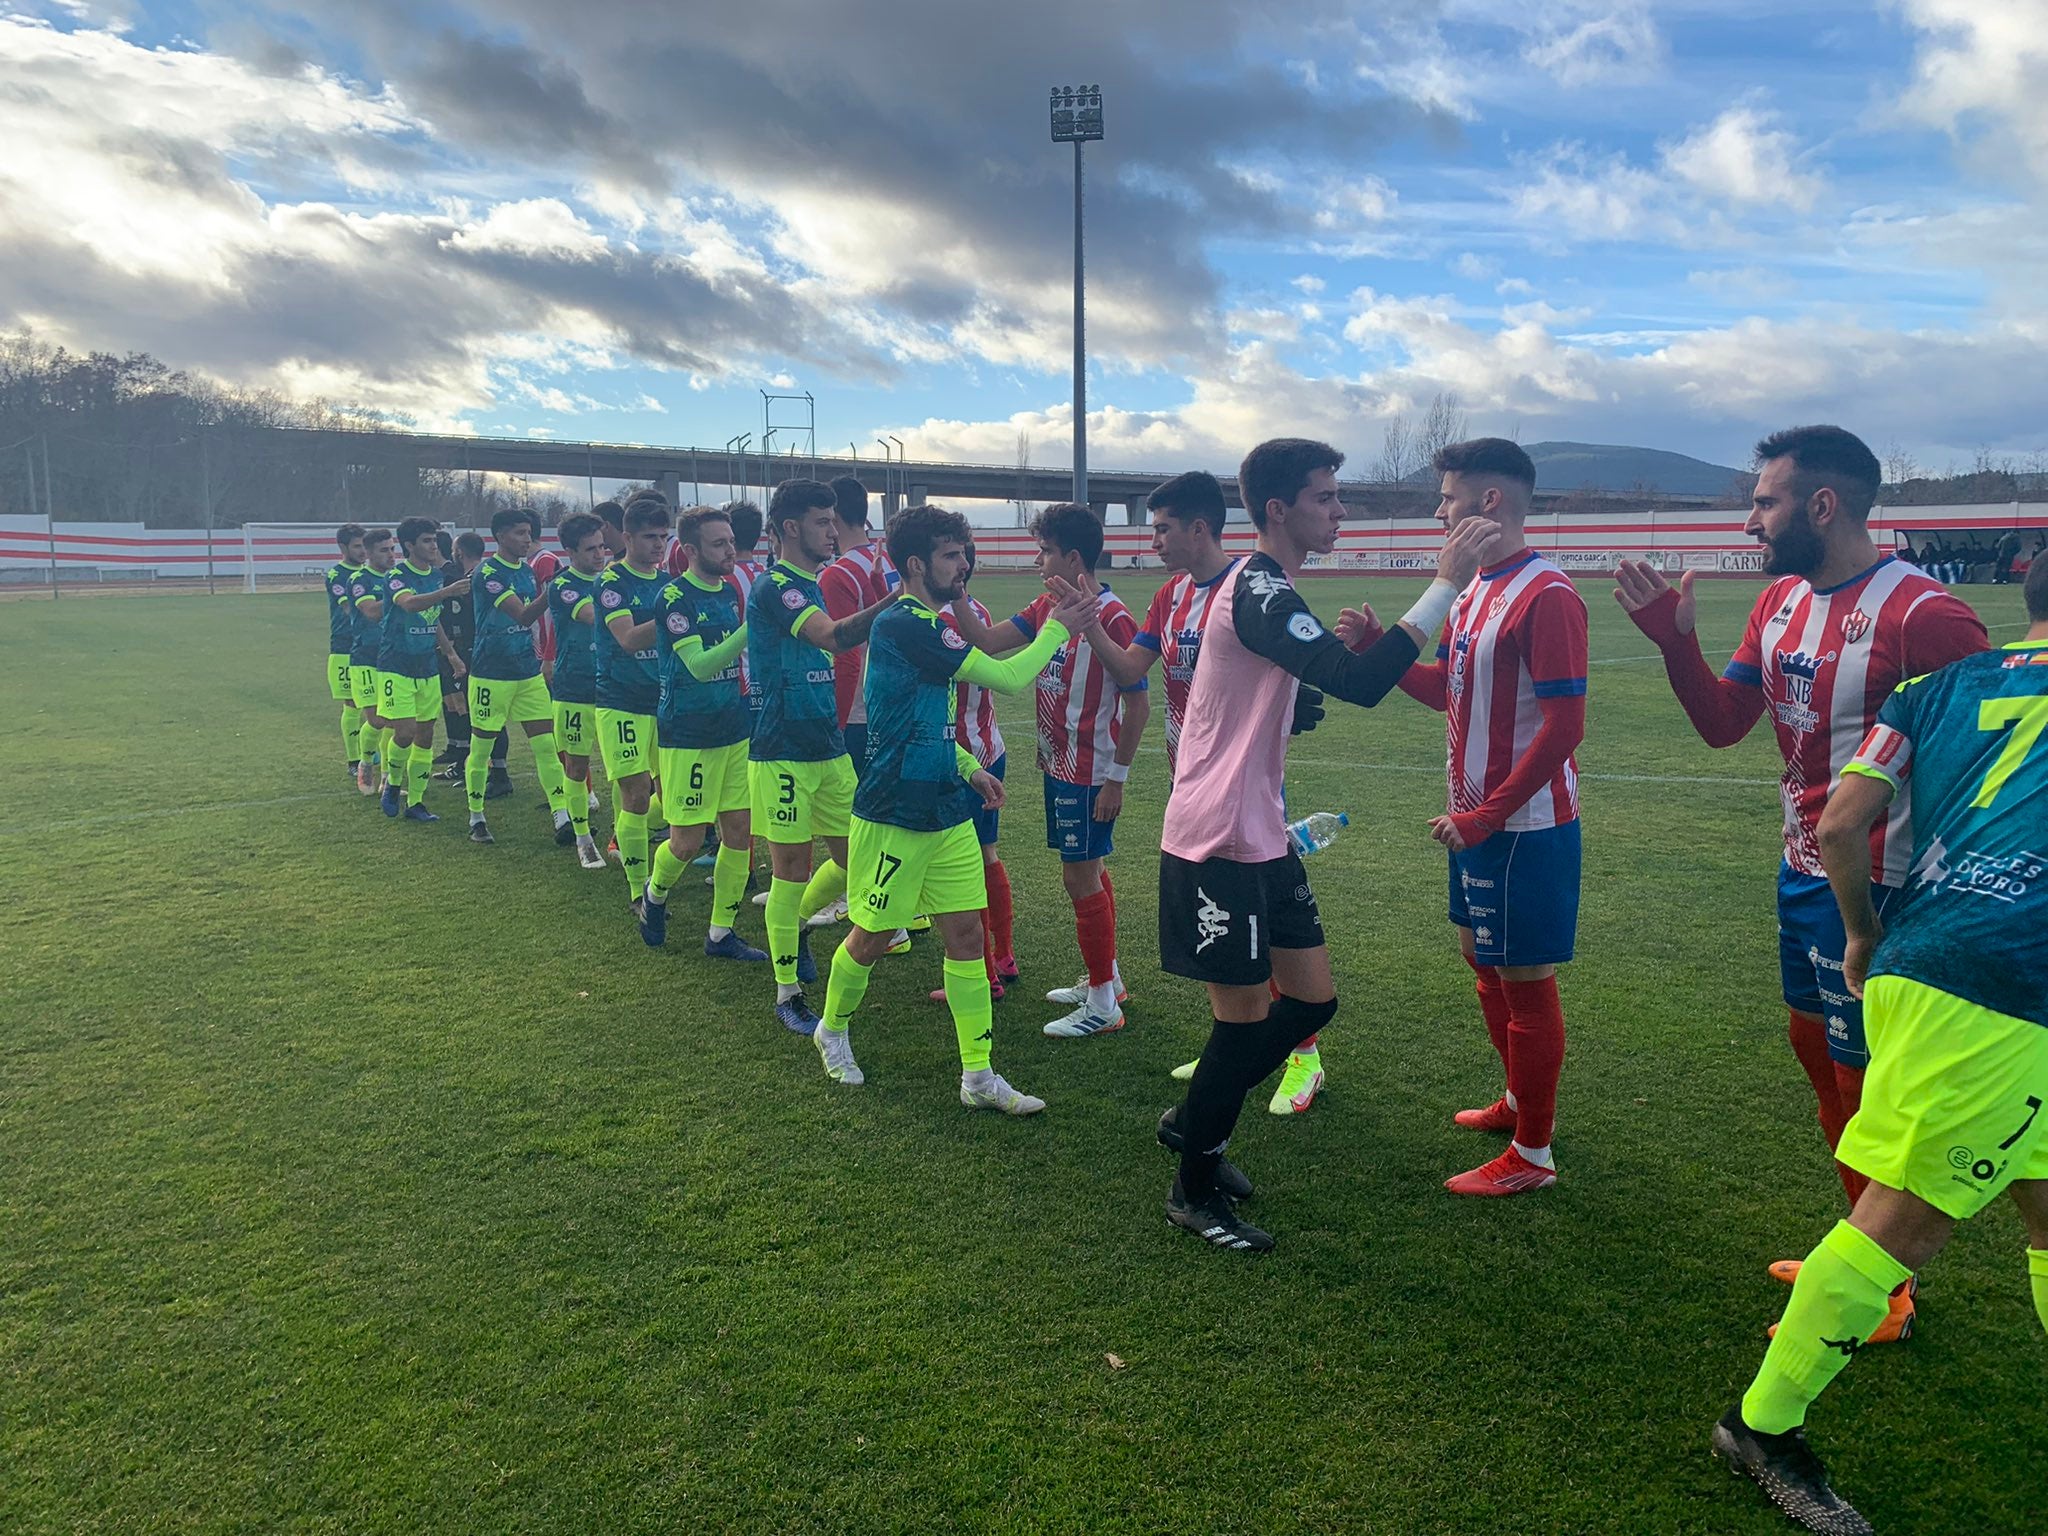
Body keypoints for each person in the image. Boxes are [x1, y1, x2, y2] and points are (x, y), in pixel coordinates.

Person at [1615, 425, 1987, 1334]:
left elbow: (1990, 769)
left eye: (1764, 500)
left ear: (1822, 505)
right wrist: (1673, 643)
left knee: (1868, 1085)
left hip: (1886, 888)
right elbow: (1722, 723)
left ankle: (1882, 1290)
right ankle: (1862, 1247)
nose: (1750, 519)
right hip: (1800, 872)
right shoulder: (1778, 602)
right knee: (1817, 1058)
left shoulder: (1924, 615)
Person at [1711, 558, 2048, 1535]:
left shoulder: (1934, 686)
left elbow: (1842, 822)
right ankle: (1760, 1426)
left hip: (1916, 956)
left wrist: (1860, 934)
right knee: (1902, 1221)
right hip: (2000, 989)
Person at [1155, 437, 1499, 1251]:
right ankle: (1193, 1189)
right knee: (1241, 1027)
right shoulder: (1261, 585)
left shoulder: (1266, 585)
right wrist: (1445, 579)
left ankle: (1196, 1115)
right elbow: (1360, 680)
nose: (1339, 510)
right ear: (1280, 510)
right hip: (1215, 842)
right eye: (1326, 497)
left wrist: (1288, 704)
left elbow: (1280, 682)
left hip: (1260, 834)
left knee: (1313, 1002)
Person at [1344, 438, 1586, 1196]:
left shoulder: (1548, 594)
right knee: (1481, 962)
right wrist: (1374, 651)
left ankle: (1535, 1157)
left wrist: (1487, 815)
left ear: (1490, 503)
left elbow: (1564, 727)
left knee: (1524, 976)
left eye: (1448, 497)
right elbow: (1446, 689)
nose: (1438, 509)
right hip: (1473, 820)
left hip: (1521, 827)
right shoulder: (1475, 587)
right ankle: (1519, 1101)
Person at [812, 504, 1094, 1106]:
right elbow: (1010, 678)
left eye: (963, 554)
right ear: (916, 564)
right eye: (950, 555)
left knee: (968, 935)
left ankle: (978, 1077)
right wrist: (1056, 626)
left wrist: (967, 767)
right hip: (893, 813)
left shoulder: (926, 621)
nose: (963, 566)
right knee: (873, 936)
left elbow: (924, 717)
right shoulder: (908, 622)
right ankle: (830, 1030)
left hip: (945, 808)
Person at [948, 503, 1150, 1039]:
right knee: (1090, 870)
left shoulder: (1112, 617)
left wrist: (1118, 778)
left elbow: (1139, 703)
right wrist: (957, 592)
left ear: (1074, 558)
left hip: (1091, 771)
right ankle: (1106, 980)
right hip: (1060, 764)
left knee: (1079, 875)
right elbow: (987, 643)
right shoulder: (1049, 605)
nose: (1039, 562)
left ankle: (1103, 1004)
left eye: (1045, 552)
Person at [746, 478, 898, 1034]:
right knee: (790, 870)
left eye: (834, 521)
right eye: (822, 522)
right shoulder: (777, 587)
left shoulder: (810, 582)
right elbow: (832, 637)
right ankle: (788, 993)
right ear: (791, 528)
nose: (833, 531)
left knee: (854, 860)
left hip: (828, 747)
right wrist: (898, 598)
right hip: (781, 749)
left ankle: (802, 924)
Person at [637, 507, 769, 962]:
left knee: (739, 832)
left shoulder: (729, 591)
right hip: (688, 735)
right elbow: (699, 666)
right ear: (691, 550)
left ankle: (721, 934)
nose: (730, 549)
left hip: (733, 729)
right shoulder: (674, 598)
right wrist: (753, 629)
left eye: (731, 541)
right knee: (687, 843)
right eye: (719, 543)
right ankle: (653, 895)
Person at [929, 543, 1016, 1001]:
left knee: (963, 868)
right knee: (987, 853)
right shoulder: (976, 612)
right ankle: (1003, 955)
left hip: (960, 756)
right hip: (989, 745)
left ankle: (984, 973)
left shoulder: (938, 621)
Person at [463, 509, 574, 847]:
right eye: (519, 533)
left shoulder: (526, 572)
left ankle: (562, 815)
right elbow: (523, 614)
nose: (527, 539)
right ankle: (476, 816)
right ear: (499, 537)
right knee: (481, 748)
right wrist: (553, 590)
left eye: (528, 533)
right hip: (490, 673)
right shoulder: (488, 573)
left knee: (545, 744)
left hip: (526, 670)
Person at [595, 497, 674, 908]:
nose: (659, 545)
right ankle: (637, 891)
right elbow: (627, 639)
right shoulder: (612, 582)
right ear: (626, 538)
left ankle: (635, 848)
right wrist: (675, 616)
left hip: (664, 701)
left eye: (664, 537)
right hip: (621, 700)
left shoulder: (669, 582)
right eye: (649, 537)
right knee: (637, 794)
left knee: (675, 798)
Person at [365, 516, 470, 822]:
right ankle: (393, 783)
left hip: (427, 665)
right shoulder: (397, 576)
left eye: (434, 539)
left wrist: (450, 654)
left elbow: (430, 616)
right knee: (405, 732)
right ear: (409, 545)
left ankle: (417, 803)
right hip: (396, 664)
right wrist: (447, 592)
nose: (432, 544)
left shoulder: (436, 576)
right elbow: (410, 604)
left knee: (425, 735)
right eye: (425, 540)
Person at [819, 475, 898, 780]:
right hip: (894, 699)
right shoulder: (891, 558)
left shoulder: (838, 574)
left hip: (860, 711)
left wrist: (836, 725)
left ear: (834, 517)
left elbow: (846, 655)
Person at [545, 511, 609, 870]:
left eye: (602, 547)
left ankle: (622, 834)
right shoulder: (564, 585)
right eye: (590, 549)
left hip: (615, 688)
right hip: (575, 688)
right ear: (570, 551)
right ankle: (583, 839)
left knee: (633, 771)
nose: (599, 555)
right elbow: (596, 617)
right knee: (577, 765)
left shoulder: (611, 580)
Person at [434, 532, 506, 791]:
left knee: (483, 713)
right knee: (472, 711)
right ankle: (473, 766)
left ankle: (498, 773)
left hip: (476, 651)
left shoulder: (475, 578)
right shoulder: (473, 577)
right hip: (472, 649)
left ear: (459, 552)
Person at [347, 529, 395, 795]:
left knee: (393, 721)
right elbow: (370, 611)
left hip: (392, 659)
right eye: (383, 550)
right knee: (376, 720)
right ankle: (366, 761)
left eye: (392, 549)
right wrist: (400, 596)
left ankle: (388, 778)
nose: (390, 555)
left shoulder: (397, 578)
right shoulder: (360, 579)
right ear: (368, 553)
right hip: (365, 657)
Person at [324, 523, 368, 784]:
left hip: (369, 647)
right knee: (352, 704)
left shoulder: (369, 573)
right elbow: (349, 609)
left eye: (364, 545)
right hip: (343, 647)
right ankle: (354, 760)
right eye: (357, 546)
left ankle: (369, 753)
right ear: (343, 548)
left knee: (375, 708)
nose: (363, 551)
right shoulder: (336, 575)